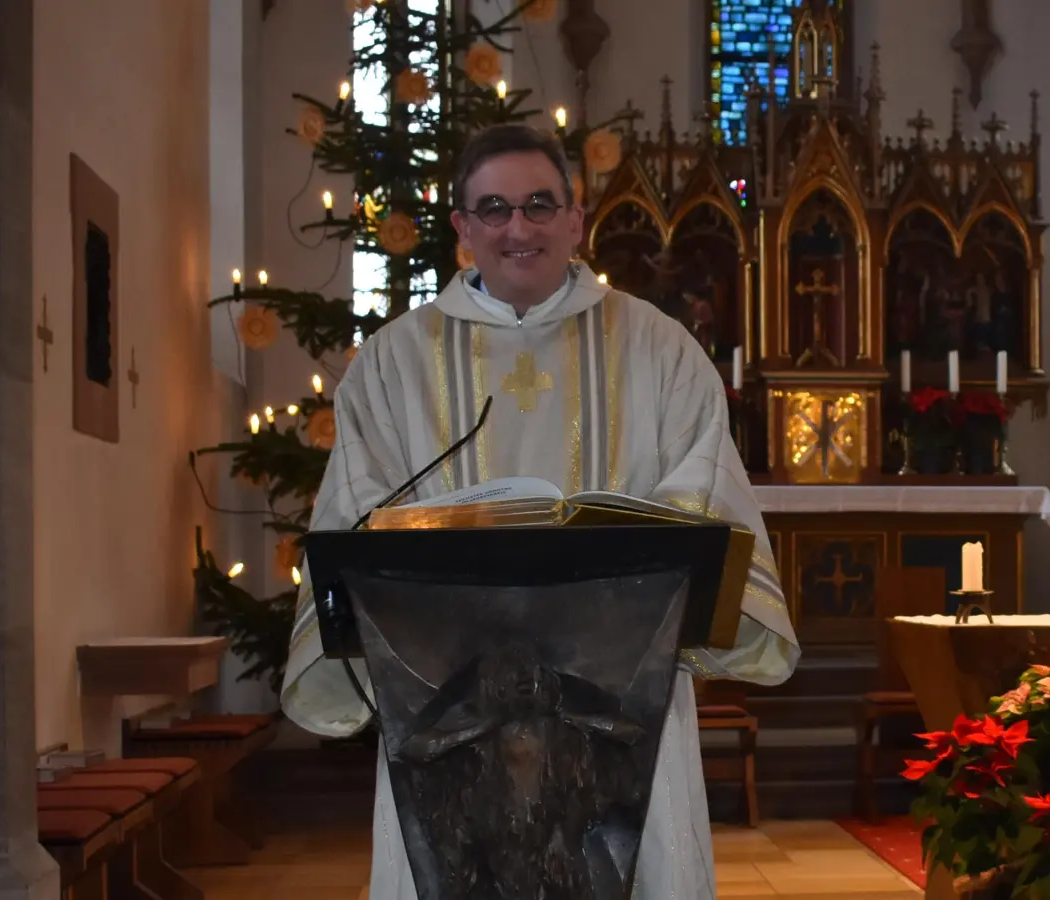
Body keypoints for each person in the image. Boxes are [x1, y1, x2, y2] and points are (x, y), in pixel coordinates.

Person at [280, 123, 800, 898]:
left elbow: (704, 495)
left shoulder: (659, 351)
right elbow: (358, 514)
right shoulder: (393, 363)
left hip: (621, 688)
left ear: (575, 219)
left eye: (538, 205)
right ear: (462, 227)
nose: (516, 227)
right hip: (447, 696)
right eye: (493, 208)